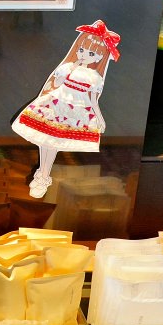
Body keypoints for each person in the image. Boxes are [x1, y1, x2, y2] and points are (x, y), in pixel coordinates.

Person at [11, 20, 120, 198]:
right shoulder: (68, 67)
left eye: (90, 53)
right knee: (46, 141)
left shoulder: (94, 77)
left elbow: (93, 100)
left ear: (98, 58)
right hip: (56, 103)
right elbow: (57, 82)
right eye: (81, 50)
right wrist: (73, 67)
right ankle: (43, 175)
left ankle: (43, 175)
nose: (83, 55)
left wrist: (100, 119)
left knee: (52, 143)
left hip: (75, 110)